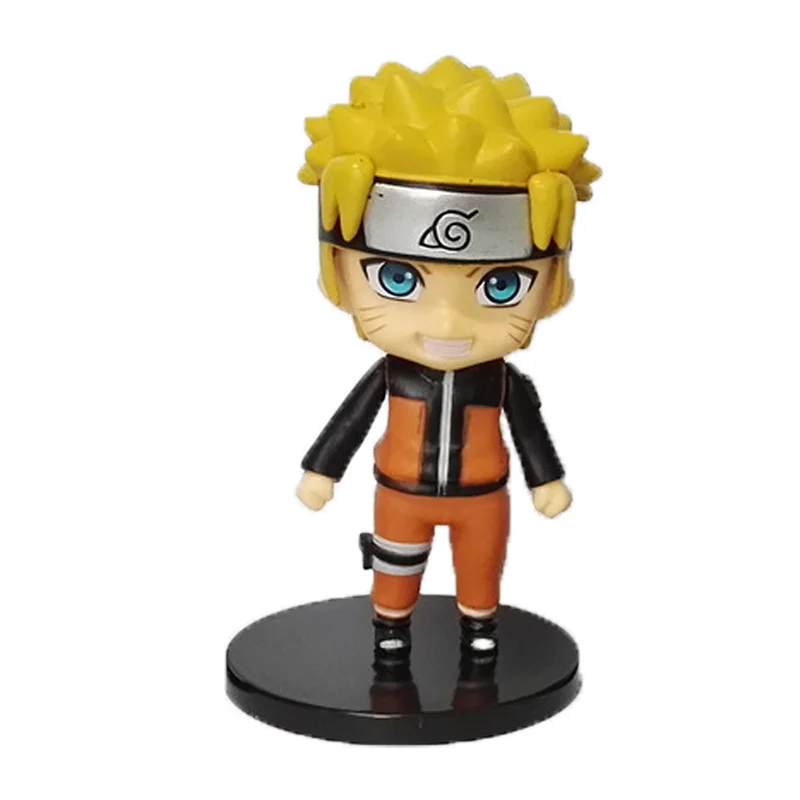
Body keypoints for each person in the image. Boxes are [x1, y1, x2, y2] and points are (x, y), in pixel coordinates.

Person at [294, 56, 600, 666]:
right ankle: (390, 629)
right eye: (398, 279)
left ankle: (479, 628)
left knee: (481, 565)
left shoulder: (503, 380)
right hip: (400, 492)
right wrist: (321, 469)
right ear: (339, 269)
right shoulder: (392, 374)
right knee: (395, 562)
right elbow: (349, 422)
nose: (447, 323)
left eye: (501, 286)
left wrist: (545, 479)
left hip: (482, 496)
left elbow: (529, 431)